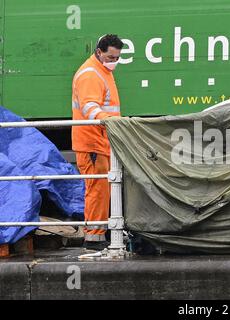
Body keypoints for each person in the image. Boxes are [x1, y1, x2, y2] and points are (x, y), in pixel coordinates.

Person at [71, 34, 124, 250]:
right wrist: (111, 121)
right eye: (111, 57)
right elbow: (90, 108)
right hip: (92, 142)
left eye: (117, 57)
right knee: (97, 190)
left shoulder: (101, 70)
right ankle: (94, 237)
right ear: (99, 52)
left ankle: (102, 233)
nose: (114, 61)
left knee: (104, 189)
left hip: (100, 142)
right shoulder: (91, 74)